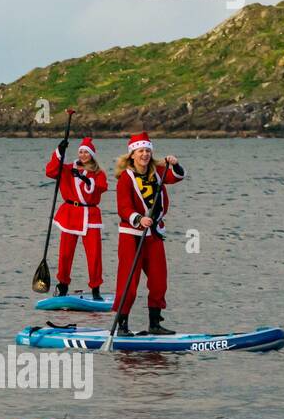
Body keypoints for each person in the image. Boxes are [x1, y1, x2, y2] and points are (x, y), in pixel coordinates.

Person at [112, 134, 184, 335]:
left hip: (154, 234)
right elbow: (123, 208)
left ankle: (154, 324)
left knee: (159, 279)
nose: (144, 154)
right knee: (129, 281)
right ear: (132, 154)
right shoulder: (125, 178)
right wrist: (138, 218)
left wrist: (175, 164)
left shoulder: (158, 171)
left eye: (147, 150)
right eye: (140, 151)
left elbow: (176, 177)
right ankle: (122, 325)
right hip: (132, 235)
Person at [45, 135, 108, 300]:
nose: (83, 155)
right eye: (80, 152)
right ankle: (63, 285)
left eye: (86, 152)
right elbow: (50, 171)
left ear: (92, 155)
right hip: (70, 214)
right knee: (65, 253)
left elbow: (101, 188)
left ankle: (96, 289)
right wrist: (59, 151)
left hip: (90, 216)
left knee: (94, 255)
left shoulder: (98, 173)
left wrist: (85, 179)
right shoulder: (67, 168)